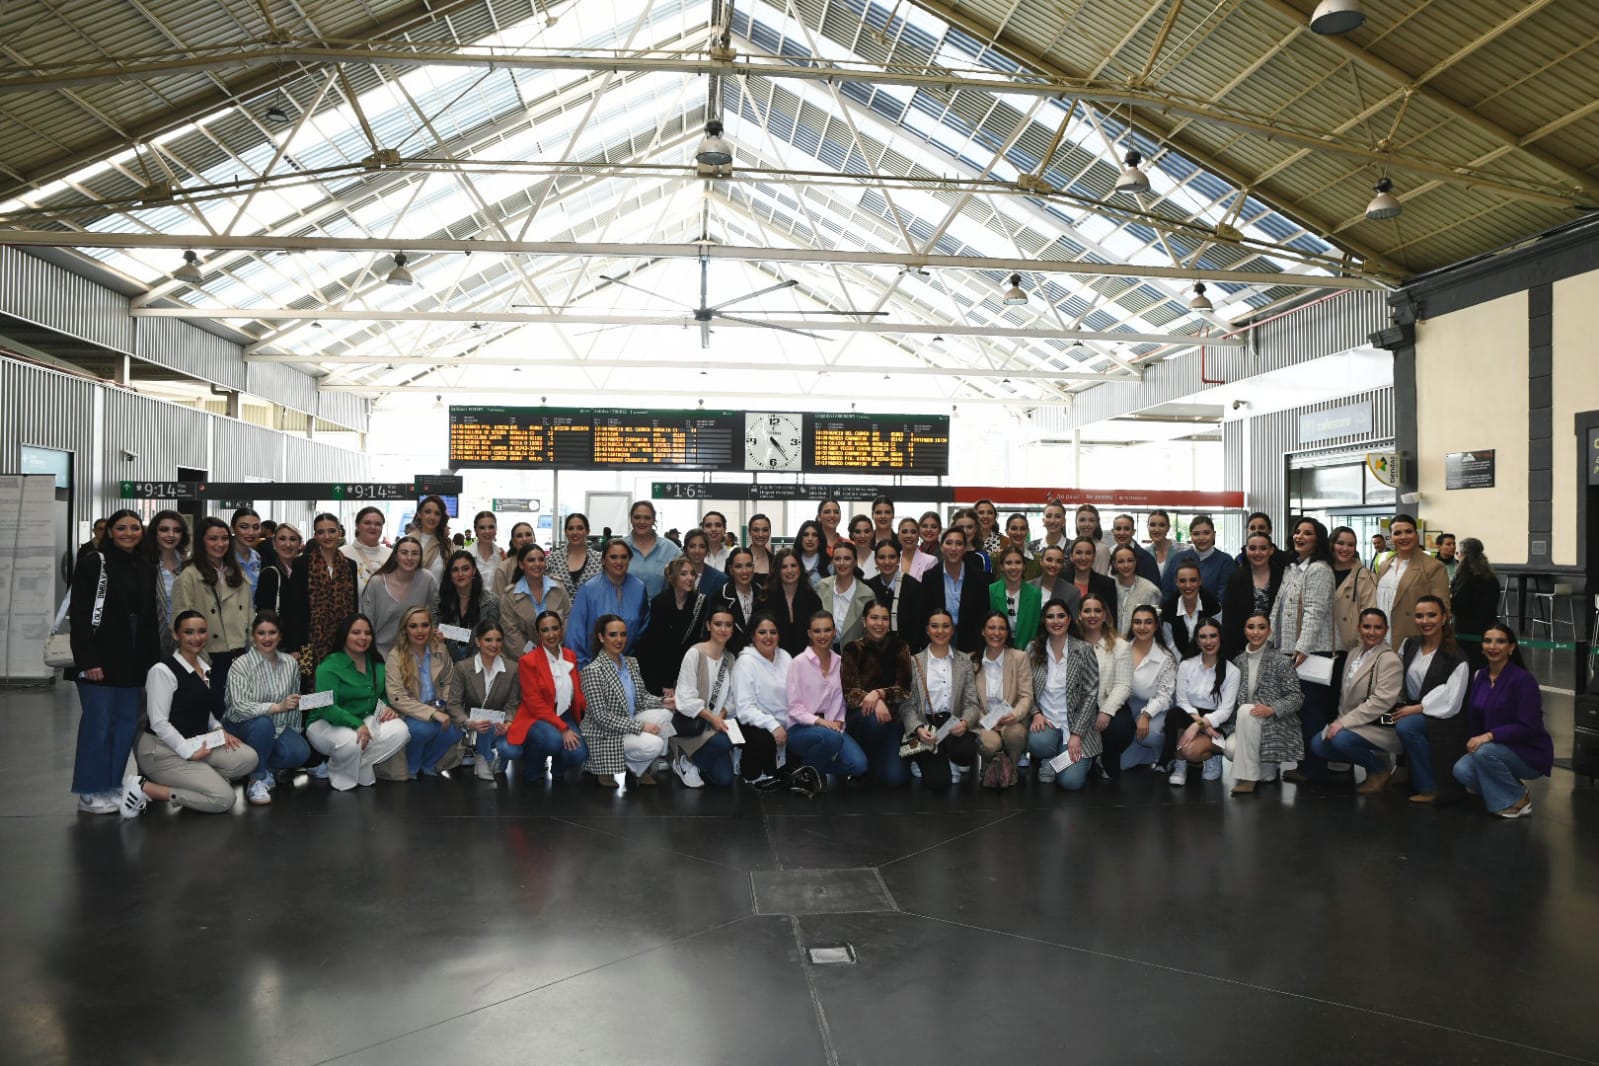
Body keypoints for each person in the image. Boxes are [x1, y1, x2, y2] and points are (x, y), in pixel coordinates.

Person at [120, 610, 259, 818]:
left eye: (202, 631)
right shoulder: (162, 671)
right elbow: (158, 723)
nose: (197, 638)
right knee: (224, 799)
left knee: (249, 758)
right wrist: (188, 752)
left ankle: (199, 781)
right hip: (161, 752)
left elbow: (203, 709)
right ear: (176, 635)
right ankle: (146, 788)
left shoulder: (204, 668)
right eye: (189, 632)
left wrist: (219, 730)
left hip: (195, 743)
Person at [69, 509, 160, 814]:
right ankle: (89, 790)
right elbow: (81, 616)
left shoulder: (146, 566)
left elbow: (149, 619)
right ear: (109, 531)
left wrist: (152, 664)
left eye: (135, 528)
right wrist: (88, 660)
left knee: (123, 726)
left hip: (134, 657)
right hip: (101, 656)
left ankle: (112, 784)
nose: (129, 533)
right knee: (98, 725)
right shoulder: (94, 562)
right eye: (121, 528)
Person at [1176, 613, 1303, 795]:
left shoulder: (1281, 661)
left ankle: (1250, 777)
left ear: (1269, 631)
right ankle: (1263, 767)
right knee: (1229, 748)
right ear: (1244, 630)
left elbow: (1296, 697)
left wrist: (1272, 709)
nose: (1256, 632)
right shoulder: (1237, 662)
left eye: (1261, 627)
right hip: (1244, 727)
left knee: (1245, 710)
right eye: (1251, 627)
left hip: (1273, 726)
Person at [1452, 624, 1552, 819]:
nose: (1493, 646)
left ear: (1511, 647)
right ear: (1482, 646)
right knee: (1461, 770)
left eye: (1500, 641)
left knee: (1484, 752)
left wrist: (1489, 736)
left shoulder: (1523, 680)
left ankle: (1514, 801)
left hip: (1528, 752)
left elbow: (1529, 727)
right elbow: (1474, 719)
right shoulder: (1480, 676)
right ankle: (1515, 793)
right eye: (1488, 641)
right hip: (1494, 750)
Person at [307, 613, 410, 791]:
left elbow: (382, 696)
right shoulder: (329, 666)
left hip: (365, 718)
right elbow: (326, 707)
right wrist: (356, 724)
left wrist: (387, 707)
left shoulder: (377, 664)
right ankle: (342, 777)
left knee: (401, 731)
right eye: (356, 632)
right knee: (351, 741)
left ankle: (360, 764)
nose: (363, 637)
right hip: (324, 722)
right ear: (344, 635)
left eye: (367, 633)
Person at [1309, 607, 1404, 794]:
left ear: (1386, 629)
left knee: (1341, 740)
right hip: (1356, 723)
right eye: (1366, 626)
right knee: (1318, 744)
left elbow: (1380, 702)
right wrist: (1339, 722)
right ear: (1359, 628)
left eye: (1378, 627)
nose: (1371, 632)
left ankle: (1379, 771)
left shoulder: (1390, 659)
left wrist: (1342, 724)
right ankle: (1374, 765)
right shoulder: (1353, 653)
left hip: (1380, 725)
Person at [223, 610, 311, 805]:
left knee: (300, 752)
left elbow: (294, 702)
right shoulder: (240, 665)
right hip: (242, 726)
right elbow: (240, 708)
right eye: (261, 633)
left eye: (272, 632)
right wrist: (276, 707)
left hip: (278, 727)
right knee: (263, 724)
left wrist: (295, 732)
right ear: (253, 636)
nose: (267, 638)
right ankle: (256, 779)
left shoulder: (290, 663)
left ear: (280, 636)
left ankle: (256, 765)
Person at [1272, 517, 1337, 781]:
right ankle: (1306, 765)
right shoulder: (1293, 568)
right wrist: (1270, 640)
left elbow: (1315, 611)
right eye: (1297, 531)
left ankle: (1315, 769)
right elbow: (1278, 607)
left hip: (1309, 653)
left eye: (1307, 533)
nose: (1299, 536)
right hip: (1290, 651)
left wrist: (1302, 647)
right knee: (1302, 711)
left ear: (1318, 540)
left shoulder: (1319, 569)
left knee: (1312, 712)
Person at [579, 614, 676, 787]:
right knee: (657, 744)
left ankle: (636, 768)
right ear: (601, 637)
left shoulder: (632, 663)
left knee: (665, 714)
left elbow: (641, 698)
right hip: (605, 734)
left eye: (623, 634)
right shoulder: (592, 671)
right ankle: (608, 767)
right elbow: (601, 717)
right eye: (613, 634)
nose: (619, 639)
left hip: (627, 723)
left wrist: (663, 701)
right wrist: (640, 727)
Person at [1391, 595, 1470, 804]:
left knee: (1406, 727)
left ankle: (1430, 787)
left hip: (1443, 718)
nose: (1425, 621)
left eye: (1431, 615)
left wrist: (1417, 708)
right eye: (1419, 616)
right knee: (1375, 722)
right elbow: (1395, 675)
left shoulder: (1456, 656)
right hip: (1409, 709)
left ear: (1444, 617)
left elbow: (1451, 701)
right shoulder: (1410, 644)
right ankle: (1381, 772)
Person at [172, 516, 253, 719]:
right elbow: (181, 620)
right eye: (213, 539)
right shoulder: (189, 576)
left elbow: (250, 616)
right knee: (215, 714)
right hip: (208, 656)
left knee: (240, 712)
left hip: (240, 655)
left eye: (224, 538)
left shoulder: (238, 573)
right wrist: (196, 659)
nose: (220, 544)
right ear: (201, 541)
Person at [899, 608, 980, 789]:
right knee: (938, 783)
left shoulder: (964, 661)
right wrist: (918, 728)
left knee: (966, 751)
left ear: (952, 630)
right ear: (927, 630)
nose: (940, 631)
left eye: (945, 626)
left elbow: (972, 703)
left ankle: (949, 756)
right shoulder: (913, 662)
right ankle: (920, 757)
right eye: (935, 626)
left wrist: (965, 722)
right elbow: (906, 705)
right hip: (927, 724)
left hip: (953, 722)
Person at [1025, 599, 1100, 791]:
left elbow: (1091, 694)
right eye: (1050, 616)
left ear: (1069, 620)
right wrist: (1035, 713)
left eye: (1061, 616)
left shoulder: (1084, 650)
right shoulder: (1033, 650)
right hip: (1046, 723)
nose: (1056, 621)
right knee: (1037, 743)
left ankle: (1076, 758)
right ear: (1044, 621)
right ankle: (1049, 758)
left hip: (1075, 728)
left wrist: (1077, 734)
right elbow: (1025, 689)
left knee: (1071, 783)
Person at [785, 612, 869, 783]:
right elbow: (794, 708)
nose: (822, 636)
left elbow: (840, 700)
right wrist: (822, 723)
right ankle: (811, 772)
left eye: (827, 630)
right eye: (817, 631)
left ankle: (807, 770)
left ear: (834, 632)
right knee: (832, 738)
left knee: (859, 766)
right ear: (809, 633)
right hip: (800, 729)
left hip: (832, 729)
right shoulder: (798, 663)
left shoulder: (841, 663)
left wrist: (838, 721)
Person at [841, 602, 915, 786]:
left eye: (884, 618)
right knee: (873, 720)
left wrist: (880, 693)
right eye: (874, 618)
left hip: (893, 721)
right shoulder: (852, 649)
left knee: (896, 779)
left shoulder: (900, 647)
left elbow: (905, 690)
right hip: (863, 719)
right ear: (864, 621)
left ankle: (874, 762)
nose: (879, 623)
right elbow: (850, 693)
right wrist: (875, 702)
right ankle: (861, 756)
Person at [509, 611, 588, 783]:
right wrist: (564, 729)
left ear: (561, 630)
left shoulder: (570, 656)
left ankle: (559, 766)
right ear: (538, 634)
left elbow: (578, 693)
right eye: (545, 630)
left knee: (579, 753)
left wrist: (594, 710)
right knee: (552, 740)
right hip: (537, 716)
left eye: (555, 628)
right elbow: (534, 703)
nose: (551, 634)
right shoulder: (528, 661)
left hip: (565, 714)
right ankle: (532, 768)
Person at [278, 512, 358, 681]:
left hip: (343, 642)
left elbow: (354, 607)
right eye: (321, 532)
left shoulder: (350, 565)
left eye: (332, 531)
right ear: (315, 536)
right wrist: (293, 647)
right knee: (311, 689)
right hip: (308, 643)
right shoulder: (302, 564)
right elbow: (293, 609)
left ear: (340, 533)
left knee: (341, 685)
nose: (327, 536)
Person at [384, 606, 462, 779]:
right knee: (424, 729)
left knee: (456, 730)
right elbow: (397, 698)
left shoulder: (440, 649)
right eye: (413, 626)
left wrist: (441, 704)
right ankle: (411, 767)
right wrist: (432, 713)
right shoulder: (395, 656)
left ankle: (428, 763)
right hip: (409, 712)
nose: (419, 631)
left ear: (431, 627)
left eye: (424, 625)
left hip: (438, 707)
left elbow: (451, 681)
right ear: (405, 629)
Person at [669, 605, 742, 788]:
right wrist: (711, 717)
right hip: (695, 725)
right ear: (709, 626)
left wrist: (722, 716)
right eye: (718, 624)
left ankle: (697, 762)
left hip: (716, 725)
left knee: (724, 780)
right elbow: (684, 697)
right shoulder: (695, 653)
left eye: (728, 625)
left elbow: (732, 697)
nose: (723, 629)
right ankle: (683, 760)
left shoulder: (731, 658)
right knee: (725, 742)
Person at [449, 620, 522, 781]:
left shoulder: (512, 668)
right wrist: (467, 722)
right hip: (473, 724)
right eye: (488, 640)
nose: (494, 644)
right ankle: (483, 757)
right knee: (484, 724)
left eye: (498, 640)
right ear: (477, 641)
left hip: (500, 724)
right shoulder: (462, 667)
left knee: (513, 751)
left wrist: (509, 723)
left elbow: (513, 703)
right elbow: (453, 703)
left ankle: (502, 758)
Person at [1167, 617, 1237, 786]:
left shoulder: (1232, 670)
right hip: (1191, 715)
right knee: (1174, 715)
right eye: (1203, 637)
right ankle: (1180, 763)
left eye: (1213, 636)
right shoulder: (1186, 665)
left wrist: (1201, 725)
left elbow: (1226, 711)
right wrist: (1199, 723)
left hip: (1217, 721)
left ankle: (1212, 756)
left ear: (1220, 637)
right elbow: (1182, 700)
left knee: (1190, 750)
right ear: (1197, 641)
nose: (1208, 641)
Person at [565, 538, 649, 668]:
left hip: (627, 666)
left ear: (629, 560)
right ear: (603, 560)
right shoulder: (588, 589)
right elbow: (575, 634)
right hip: (592, 666)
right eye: (613, 557)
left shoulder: (639, 588)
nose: (619, 562)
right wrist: (581, 669)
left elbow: (643, 630)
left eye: (624, 557)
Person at [1112, 604, 1177, 773]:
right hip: (1127, 706)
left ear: (1156, 626)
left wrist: (1146, 716)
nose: (1142, 627)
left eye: (1148, 622)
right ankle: (1142, 750)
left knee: (1149, 735)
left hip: (1155, 708)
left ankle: (1162, 750)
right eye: (1137, 622)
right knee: (1119, 764)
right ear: (1132, 625)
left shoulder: (1166, 657)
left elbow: (1165, 696)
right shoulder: (1120, 649)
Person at [972, 611, 1033, 787]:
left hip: (1011, 719)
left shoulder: (1019, 658)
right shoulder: (971, 661)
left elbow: (1026, 696)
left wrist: (1014, 715)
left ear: (1007, 633)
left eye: (1001, 628)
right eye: (991, 628)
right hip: (984, 720)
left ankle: (1011, 768)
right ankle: (989, 767)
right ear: (983, 631)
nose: (996, 633)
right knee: (990, 744)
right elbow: (969, 701)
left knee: (1016, 735)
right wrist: (985, 720)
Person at [1076, 593, 1132, 781]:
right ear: (1079, 615)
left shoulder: (1121, 646)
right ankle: (1088, 757)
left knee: (1122, 728)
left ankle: (1105, 757)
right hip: (1077, 706)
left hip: (1106, 703)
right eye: (1087, 610)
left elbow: (1123, 684)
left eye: (1097, 611)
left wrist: (1106, 711)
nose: (1092, 615)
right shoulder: (1070, 643)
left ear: (1105, 615)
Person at [732, 614, 792, 787]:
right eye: (762, 632)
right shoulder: (745, 662)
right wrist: (773, 725)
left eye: (773, 632)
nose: (768, 637)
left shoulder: (786, 657)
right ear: (753, 636)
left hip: (783, 723)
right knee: (763, 746)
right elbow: (744, 710)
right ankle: (741, 759)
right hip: (754, 724)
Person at [1375, 514, 1450, 648]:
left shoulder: (1433, 567)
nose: (1403, 537)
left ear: (1417, 535)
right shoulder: (1385, 566)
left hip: (1412, 640)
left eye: (1408, 531)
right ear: (1391, 538)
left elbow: (1442, 610)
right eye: (1397, 533)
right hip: (1381, 638)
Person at [361, 535, 438, 657]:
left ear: (420, 557)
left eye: (414, 553)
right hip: (380, 654)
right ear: (395, 556)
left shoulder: (427, 579)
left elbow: (436, 613)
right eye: (404, 553)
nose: (409, 557)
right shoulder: (377, 583)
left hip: (416, 654)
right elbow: (365, 622)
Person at [638, 557, 707, 693]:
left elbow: (694, 640)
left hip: (686, 665)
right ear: (672, 577)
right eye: (683, 574)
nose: (690, 578)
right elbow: (658, 644)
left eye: (692, 573)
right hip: (657, 666)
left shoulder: (700, 601)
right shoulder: (660, 602)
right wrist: (666, 681)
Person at [927, 527, 990, 652]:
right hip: (939, 638)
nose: (953, 548)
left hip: (970, 641)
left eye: (959, 543)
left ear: (965, 548)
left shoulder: (980, 578)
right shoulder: (930, 577)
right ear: (941, 547)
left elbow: (983, 615)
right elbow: (926, 613)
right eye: (949, 543)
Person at [1220, 532, 1281, 660]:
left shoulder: (1282, 575)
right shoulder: (1236, 578)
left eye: (1263, 548)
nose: (1257, 553)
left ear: (1271, 550)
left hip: (1276, 646)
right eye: (1252, 548)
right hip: (1242, 647)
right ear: (1246, 550)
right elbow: (1229, 619)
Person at [499, 541, 568, 654]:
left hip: (558, 654)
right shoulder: (509, 596)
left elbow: (567, 618)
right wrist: (536, 657)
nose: (537, 564)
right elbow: (511, 633)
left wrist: (555, 648)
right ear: (521, 565)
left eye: (541, 559)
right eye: (531, 560)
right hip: (525, 660)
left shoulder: (559, 588)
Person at [436, 550, 501, 662]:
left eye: (465, 569)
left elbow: (491, 638)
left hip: (480, 663)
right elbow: (433, 633)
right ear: (450, 575)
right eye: (455, 570)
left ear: (474, 571)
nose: (460, 574)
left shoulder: (491, 602)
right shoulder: (438, 600)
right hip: (445, 663)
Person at [140, 509, 188, 657]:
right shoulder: (143, 564)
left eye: (177, 530)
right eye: (164, 530)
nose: (171, 535)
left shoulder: (189, 565)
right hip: (151, 641)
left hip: (186, 641)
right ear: (155, 532)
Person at [869, 538, 927, 652]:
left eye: (892, 557)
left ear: (899, 559)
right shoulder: (869, 587)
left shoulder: (913, 587)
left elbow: (919, 627)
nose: (887, 562)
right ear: (875, 560)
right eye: (881, 557)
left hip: (906, 654)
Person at [1449, 537, 1499, 669]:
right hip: (1488, 625)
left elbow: (1459, 603)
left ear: (1464, 554)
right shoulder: (1489, 575)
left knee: (1467, 664)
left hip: (1467, 628)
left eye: (1458, 553)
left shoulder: (1465, 575)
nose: (1457, 556)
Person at [1160, 514, 1235, 601]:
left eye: (1206, 533)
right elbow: (1167, 591)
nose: (1201, 538)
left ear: (1214, 535)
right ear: (1191, 536)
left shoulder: (1226, 561)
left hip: (1213, 613)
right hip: (1177, 612)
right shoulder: (1177, 559)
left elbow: (1224, 596)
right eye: (1196, 534)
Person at [1329, 524, 1378, 657]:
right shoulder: (1321, 571)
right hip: (1322, 645)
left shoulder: (1365, 576)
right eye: (1340, 543)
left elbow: (1369, 613)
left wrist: (1362, 649)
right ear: (1332, 544)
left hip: (1351, 648)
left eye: (1350, 545)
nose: (1345, 549)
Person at [763, 547, 823, 656]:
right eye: (784, 567)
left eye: (793, 565)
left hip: (806, 661)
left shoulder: (812, 599)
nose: (789, 570)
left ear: (800, 568)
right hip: (772, 660)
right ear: (777, 570)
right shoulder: (765, 599)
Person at [818, 541, 877, 649]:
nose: (842, 563)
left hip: (856, 657)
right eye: (837, 559)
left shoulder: (867, 594)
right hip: (824, 655)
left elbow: (871, 633)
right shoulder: (821, 587)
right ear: (832, 562)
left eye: (847, 558)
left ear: (855, 562)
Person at [1161, 561, 1219, 661]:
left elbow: (1216, 641)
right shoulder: (1168, 610)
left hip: (1209, 663)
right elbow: (1170, 646)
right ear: (1177, 583)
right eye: (1182, 581)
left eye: (1193, 580)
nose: (1188, 585)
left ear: (1200, 581)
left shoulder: (1213, 607)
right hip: (1178, 664)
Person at [623, 500, 681, 600]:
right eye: (637, 517)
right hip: (623, 612)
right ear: (631, 519)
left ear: (654, 520)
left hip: (661, 612)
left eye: (647, 518)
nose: (642, 521)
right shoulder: (620, 547)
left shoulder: (671, 549)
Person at [990, 545, 1043, 649]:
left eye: (1018, 563)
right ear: (1001, 566)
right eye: (1008, 563)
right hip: (997, 648)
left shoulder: (1035, 594)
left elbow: (1034, 628)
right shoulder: (991, 590)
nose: (1013, 567)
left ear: (1024, 566)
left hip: (1026, 651)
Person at [714, 546, 760, 654]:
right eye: (738, 566)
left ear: (753, 567)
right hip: (728, 659)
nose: (744, 571)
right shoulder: (720, 596)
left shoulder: (763, 595)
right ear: (731, 569)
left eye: (748, 565)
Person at [1109, 544, 1161, 636]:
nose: (1126, 565)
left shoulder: (1150, 590)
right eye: (1121, 561)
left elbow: (1154, 623)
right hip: (1109, 644)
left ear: (1136, 562)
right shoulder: (1106, 585)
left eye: (1130, 560)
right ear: (1114, 564)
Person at [255, 522, 302, 614]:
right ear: (274, 544)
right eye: (282, 539)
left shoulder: (304, 572)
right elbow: (264, 612)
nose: (288, 544)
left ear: (299, 544)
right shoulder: (269, 574)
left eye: (292, 539)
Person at [341, 506, 390, 594]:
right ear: (357, 525)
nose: (373, 527)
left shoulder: (391, 555)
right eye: (367, 523)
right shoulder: (342, 553)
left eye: (378, 524)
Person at [555, 513, 603, 601]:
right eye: (570, 528)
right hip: (560, 613)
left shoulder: (600, 560)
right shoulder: (552, 560)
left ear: (587, 531)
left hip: (593, 613)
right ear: (565, 532)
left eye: (580, 528)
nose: (575, 532)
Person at [407, 495, 451, 584]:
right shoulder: (407, 541)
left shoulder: (446, 545)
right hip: (410, 596)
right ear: (419, 514)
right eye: (428, 512)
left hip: (438, 597)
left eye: (437, 513)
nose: (432, 517)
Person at [1109, 513, 1161, 586]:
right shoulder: (1108, 554)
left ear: (1133, 532)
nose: (1122, 533)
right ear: (1113, 531)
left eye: (1126, 529)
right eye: (1118, 529)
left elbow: (1155, 591)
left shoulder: (1146, 558)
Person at [1030, 544, 1081, 617]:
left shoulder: (1072, 593)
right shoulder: (1027, 587)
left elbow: (1073, 623)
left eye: (1059, 561)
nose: (1053, 565)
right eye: (1049, 560)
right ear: (1041, 561)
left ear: (1063, 565)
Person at [1067, 536, 1117, 610]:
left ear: (1094, 557)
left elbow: (1110, 618)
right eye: (1078, 552)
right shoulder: (1061, 580)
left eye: (1088, 553)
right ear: (1071, 556)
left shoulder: (1106, 585)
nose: (1083, 557)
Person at [492, 521, 538, 600]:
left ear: (534, 538)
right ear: (513, 541)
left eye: (528, 535)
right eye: (519, 536)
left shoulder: (543, 564)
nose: (525, 539)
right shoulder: (503, 568)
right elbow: (498, 601)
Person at [680, 527, 728, 597]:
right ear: (685, 549)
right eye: (692, 546)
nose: (697, 551)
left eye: (702, 546)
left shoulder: (720, 579)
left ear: (707, 550)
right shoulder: (676, 577)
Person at [230, 507, 265, 596]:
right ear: (232, 529)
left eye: (256, 527)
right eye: (244, 527)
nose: (251, 532)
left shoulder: (257, 557)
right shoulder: (223, 557)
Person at [793, 519, 831, 589]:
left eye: (814, 535)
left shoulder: (829, 565)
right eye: (806, 535)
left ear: (819, 540)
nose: (810, 539)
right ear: (800, 538)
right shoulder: (792, 561)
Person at [1145, 509, 1177, 575]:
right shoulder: (1144, 554)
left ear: (1168, 528)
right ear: (1147, 527)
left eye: (1162, 525)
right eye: (1152, 525)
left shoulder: (1181, 551)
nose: (1157, 529)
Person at [847, 514, 878, 579]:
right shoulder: (845, 558)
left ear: (872, 533)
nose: (862, 535)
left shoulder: (880, 558)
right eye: (858, 532)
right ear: (852, 534)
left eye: (866, 531)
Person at [746, 513, 776, 582]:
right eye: (756, 530)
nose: (760, 534)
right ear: (749, 532)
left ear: (770, 532)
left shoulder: (775, 562)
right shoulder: (739, 558)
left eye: (765, 530)